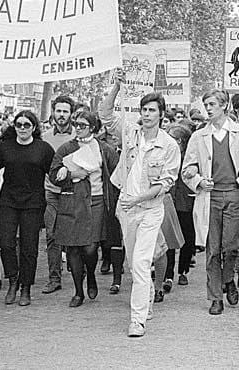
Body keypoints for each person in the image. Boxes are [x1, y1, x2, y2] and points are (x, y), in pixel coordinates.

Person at [99, 74, 181, 338]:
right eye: (143, 110)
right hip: (127, 209)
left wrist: (140, 198)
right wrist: (116, 87)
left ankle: (137, 320)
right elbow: (105, 114)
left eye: (151, 110)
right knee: (133, 265)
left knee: (142, 262)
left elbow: (166, 183)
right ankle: (145, 300)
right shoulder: (129, 132)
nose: (146, 114)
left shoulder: (168, 145)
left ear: (161, 114)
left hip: (150, 209)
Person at [182, 89, 239, 315]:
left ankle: (228, 280)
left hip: (235, 194)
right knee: (213, 249)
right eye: (206, 104)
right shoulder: (198, 136)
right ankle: (215, 297)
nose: (209, 108)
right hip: (210, 197)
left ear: (224, 106)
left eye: (213, 103)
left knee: (231, 246)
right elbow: (187, 168)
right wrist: (197, 179)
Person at [49, 109, 119, 307]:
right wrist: (71, 174)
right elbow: (53, 174)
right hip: (72, 201)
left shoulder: (104, 149)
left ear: (93, 128)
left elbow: (117, 174)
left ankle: (91, 275)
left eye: (83, 125)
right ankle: (78, 291)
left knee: (90, 248)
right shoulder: (66, 148)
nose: (78, 129)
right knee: (72, 247)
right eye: (76, 125)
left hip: (96, 202)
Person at [0, 110, 55, 307]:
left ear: (34, 127)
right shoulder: (5, 147)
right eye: (18, 124)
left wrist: (65, 175)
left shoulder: (43, 149)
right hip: (8, 200)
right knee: (6, 242)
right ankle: (13, 280)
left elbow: (53, 171)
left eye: (26, 125)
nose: (22, 128)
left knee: (29, 246)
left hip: (33, 202)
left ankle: (26, 287)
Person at [40, 95, 76, 294]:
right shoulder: (45, 137)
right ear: (53, 112)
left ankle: (77, 270)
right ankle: (54, 278)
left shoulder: (77, 137)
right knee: (51, 234)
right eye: (58, 111)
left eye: (65, 111)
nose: (61, 115)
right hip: (51, 193)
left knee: (73, 235)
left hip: (73, 193)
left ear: (71, 114)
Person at [165, 124, 196, 287]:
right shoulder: (165, 155)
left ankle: (183, 271)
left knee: (187, 239)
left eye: (174, 139)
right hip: (169, 201)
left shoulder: (191, 158)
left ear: (182, 141)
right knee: (169, 238)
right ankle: (168, 274)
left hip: (187, 202)